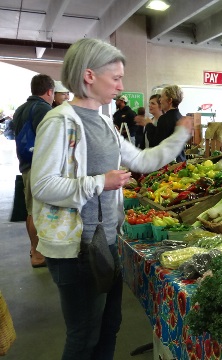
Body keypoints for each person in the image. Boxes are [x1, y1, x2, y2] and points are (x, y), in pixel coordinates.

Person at [29, 38, 193, 360]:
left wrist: (180, 135)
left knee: (109, 327)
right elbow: (43, 185)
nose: (121, 85)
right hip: (75, 249)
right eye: (115, 77)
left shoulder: (104, 122)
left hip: (107, 243)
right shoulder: (59, 122)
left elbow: (143, 161)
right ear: (89, 75)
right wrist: (99, 183)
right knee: (83, 336)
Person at [10, 74, 55, 267]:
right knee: (37, 211)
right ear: (49, 91)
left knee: (31, 210)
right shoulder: (43, 108)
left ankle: (34, 249)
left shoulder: (21, 109)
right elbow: (50, 140)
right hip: (39, 166)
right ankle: (38, 255)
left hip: (26, 164)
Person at [144, 85, 187, 162]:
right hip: (180, 161)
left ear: (170, 100)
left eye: (162, 97)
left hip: (169, 164)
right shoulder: (181, 118)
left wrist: (149, 125)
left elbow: (155, 144)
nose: (160, 100)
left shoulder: (164, 119)